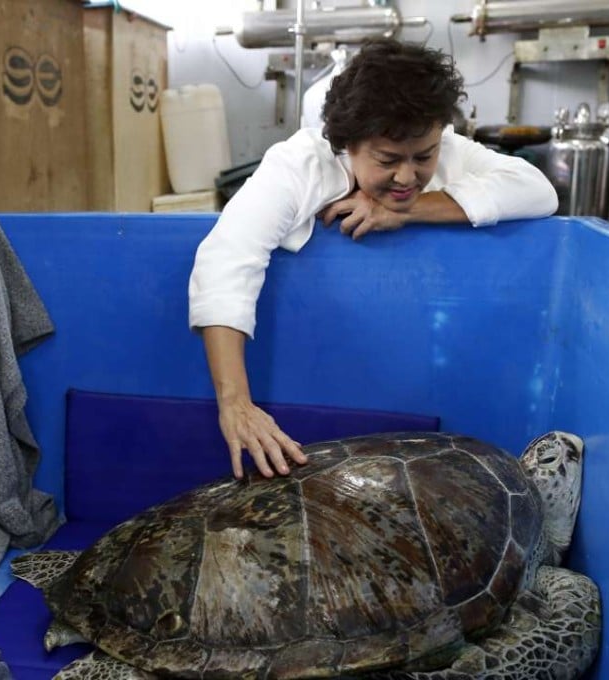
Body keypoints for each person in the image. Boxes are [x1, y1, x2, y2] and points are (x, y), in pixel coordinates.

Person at [188, 38, 558, 480]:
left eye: (425, 156)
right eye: (387, 159)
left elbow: (539, 190)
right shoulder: (298, 165)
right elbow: (227, 257)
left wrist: (403, 209)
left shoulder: (450, 153)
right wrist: (235, 403)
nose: (408, 176)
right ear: (347, 143)